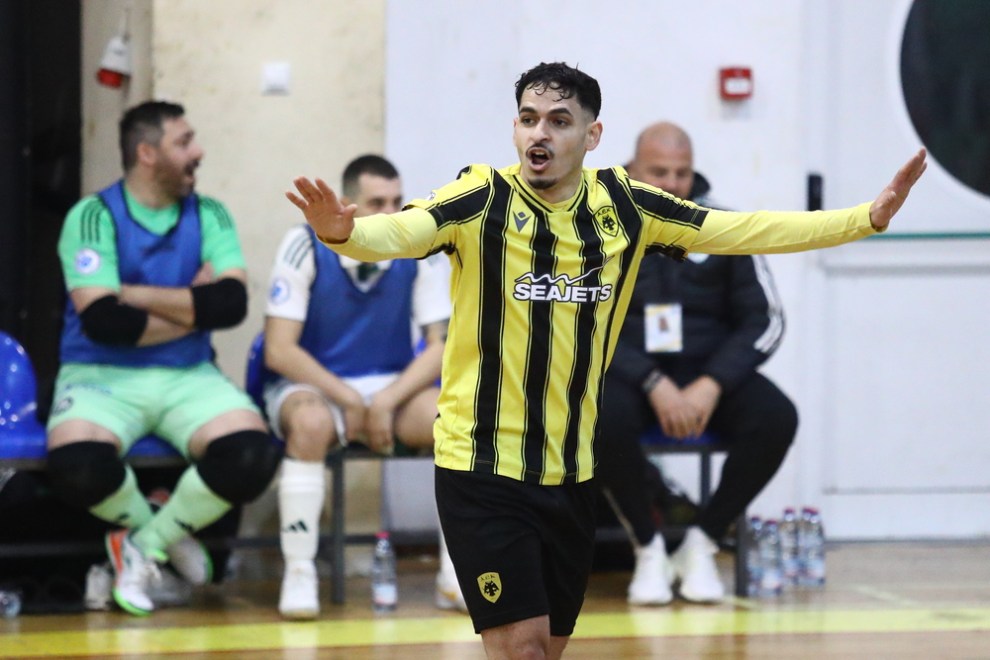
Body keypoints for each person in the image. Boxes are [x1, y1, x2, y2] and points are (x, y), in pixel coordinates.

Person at [285, 62, 926, 659]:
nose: (539, 133)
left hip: (572, 470)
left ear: (592, 136)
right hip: (481, 467)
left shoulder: (627, 207)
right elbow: (403, 231)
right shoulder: (479, 198)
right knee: (522, 649)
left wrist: (862, 219)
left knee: (549, 648)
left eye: (558, 121)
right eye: (528, 118)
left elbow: (743, 229)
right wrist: (344, 233)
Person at [45, 100, 282, 617]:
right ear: (147, 153)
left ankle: (143, 544)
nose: (199, 152)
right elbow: (104, 322)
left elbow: (231, 305)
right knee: (76, 463)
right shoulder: (92, 216)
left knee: (252, 454)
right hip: (101, 375)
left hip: (188, 374)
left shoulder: (210, 213)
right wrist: (193, 307)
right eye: (184, 142)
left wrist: (131, 292)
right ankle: (165, 536)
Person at [595, 121, 797, 606]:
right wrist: (651, 380)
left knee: (776, 417)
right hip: (629, 375)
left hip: (708, 375)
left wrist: (711, 383)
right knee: (595, 415)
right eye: (658, 172)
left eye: (681, 173)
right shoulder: (595, 228)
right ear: (632, 170)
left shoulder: (726, 226)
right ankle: (647, 546)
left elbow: (765, 320)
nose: (672, 184)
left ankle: (702, 543)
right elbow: (581, 321)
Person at [262, 154, 463, 619]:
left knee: (455, 422)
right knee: (310, 424)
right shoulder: (303, 245)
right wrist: (349, 398)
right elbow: (279, 349)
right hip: (315, 384)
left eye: (397, 201)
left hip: (390, 387)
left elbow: (442, 344)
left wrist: (387, 399)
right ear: (348, 204)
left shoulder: (417, 246)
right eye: (377, 203)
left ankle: (457, 573)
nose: (391, 213)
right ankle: (299, 572)